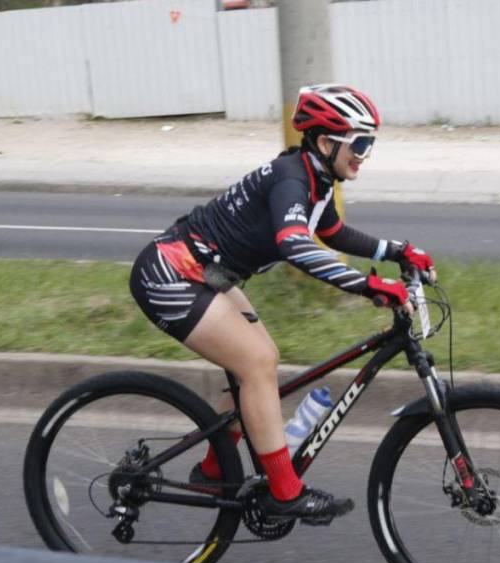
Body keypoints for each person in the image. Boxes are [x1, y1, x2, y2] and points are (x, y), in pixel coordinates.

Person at [128, 84, 436, 524]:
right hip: (171, 273)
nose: (365, 154)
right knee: (255, 364)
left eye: (370, 144)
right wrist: (369, 286)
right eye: (360, 143)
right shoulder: (292, 179)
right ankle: (284, 492)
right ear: (327, 142)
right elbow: (294, 245)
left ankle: (214, 471)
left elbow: (333, 234)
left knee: (261, 360)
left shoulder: (315, 178)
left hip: (205, 273)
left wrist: (399, 251)